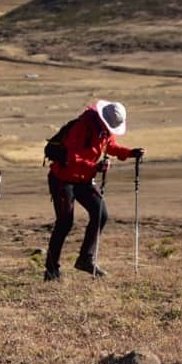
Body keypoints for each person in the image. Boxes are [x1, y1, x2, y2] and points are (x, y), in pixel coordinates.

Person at [44, 100, 144, 281]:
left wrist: (130, 153)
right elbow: (73, 158)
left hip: (83, 178)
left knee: (100, 213)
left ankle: (86, 259)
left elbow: (111, 146)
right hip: (62, 179)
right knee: (65, 222)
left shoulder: (103, 129)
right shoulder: (81, 127)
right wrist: (95, 167)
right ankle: (51, 270)